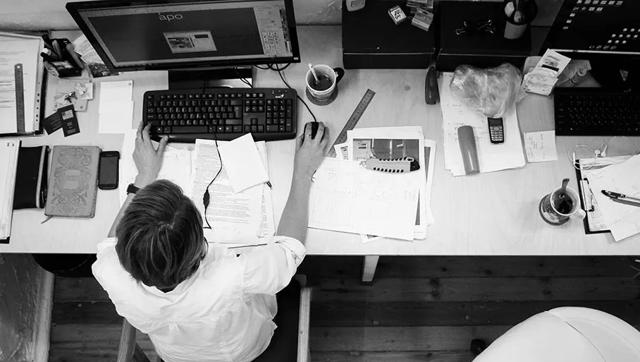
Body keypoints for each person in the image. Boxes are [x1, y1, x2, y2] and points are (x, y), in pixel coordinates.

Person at [92, 122, 329, 362]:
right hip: (243, 350)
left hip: (177, 356)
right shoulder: (232, 274)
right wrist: (303, 172)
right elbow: (289, 252)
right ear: (198, 245)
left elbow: (109, 243)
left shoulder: (109, 272)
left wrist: (142, 178)